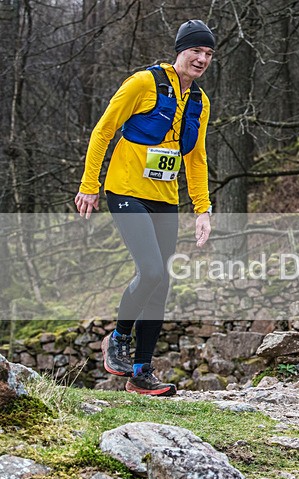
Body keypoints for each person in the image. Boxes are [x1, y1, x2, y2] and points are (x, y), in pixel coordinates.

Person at [74, 20, 215, 396]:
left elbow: (196, 159)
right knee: (150, 270)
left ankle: (141, 373)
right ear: (180, 50)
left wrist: (203, 209)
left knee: (162, 282)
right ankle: (117, 338)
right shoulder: (143, 83)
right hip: (124, 190)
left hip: (165, 198)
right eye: (196, 51)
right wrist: (89, 185)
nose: (201, 59)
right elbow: (103, 130)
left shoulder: (200, 102)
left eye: (208, 54)